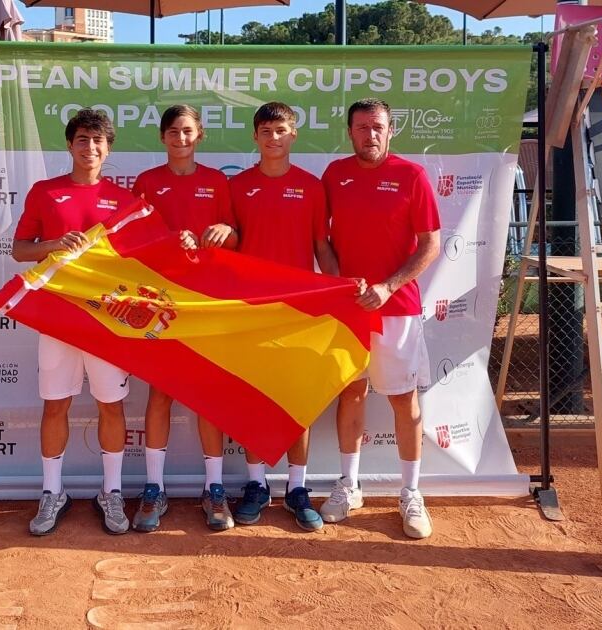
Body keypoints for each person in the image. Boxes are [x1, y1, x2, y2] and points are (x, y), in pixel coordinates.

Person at [319, 97, 441, 539]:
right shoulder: (335, 175)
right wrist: (337, 282)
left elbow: (430, 244)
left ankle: (410, 493)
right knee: (350, 394)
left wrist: (387, 286)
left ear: (391, 130)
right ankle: (349, 485)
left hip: (397, 309)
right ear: (349, 132)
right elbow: (323, 239)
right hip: (349, 309)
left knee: (402, 400)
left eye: (377, 127)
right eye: (361, 127)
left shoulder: (412, 176)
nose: (369, 134)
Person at [12, 108, 135, 536]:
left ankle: (112, 491)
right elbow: (19, 250)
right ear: (69, 145)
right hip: (58, 320)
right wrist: (52, 245)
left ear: (109, 147)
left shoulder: (123, 202)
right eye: (82, 139)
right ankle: (52, 493)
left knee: (110, 406)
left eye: (98, 141)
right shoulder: (45, 192)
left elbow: (140, 262)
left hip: (106, 323)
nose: (90, 148)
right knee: (56, 404)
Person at [229, 102, 337, 532]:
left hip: (299, 312)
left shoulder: (311, 187)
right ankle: (256, 485)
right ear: (254, 137)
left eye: (281, 130)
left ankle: (297, 487)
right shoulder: (236, 187)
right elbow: (228, 246)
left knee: (298, 403)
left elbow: (322, 247)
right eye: (265, 130)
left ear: (294, 135)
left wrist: (340, 289)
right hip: (251, 312)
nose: (273, 137)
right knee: (254, 400)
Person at [131, 104, 239, 533]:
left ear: (200, 136)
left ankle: (214, 488)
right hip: (160, 303)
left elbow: (235, 235)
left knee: (207, 395)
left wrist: (224, 233)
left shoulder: (216, 182)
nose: (180, 139)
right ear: (162, 138)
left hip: (206, 303)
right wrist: (166, 240)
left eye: (188, 131)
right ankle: (153, 487)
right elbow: (132, 240)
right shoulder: (147, 182)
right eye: (173, 132)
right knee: (160, 394)